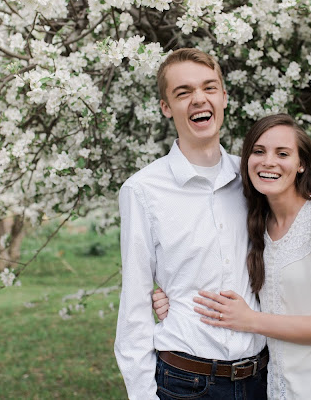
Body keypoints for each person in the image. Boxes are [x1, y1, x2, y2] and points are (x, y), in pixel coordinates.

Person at [155, 114, 311, 399]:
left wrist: (251, 320)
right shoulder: (259, 225)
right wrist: (179, 300)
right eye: (259, 151)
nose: (268, 162)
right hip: (277, 387)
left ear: (301, 164)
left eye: (282, 153)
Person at [114, 48, 268, 400]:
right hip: (186, 383)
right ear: (166, 107)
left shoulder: (255, 178)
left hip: (262, 377)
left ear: (224, 97)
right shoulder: (143, 190)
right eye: (183, 92)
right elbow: (135, 304)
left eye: (209, 87)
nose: (199, 99)